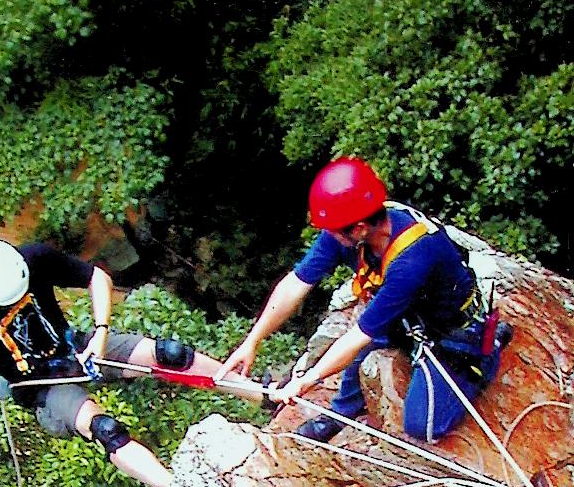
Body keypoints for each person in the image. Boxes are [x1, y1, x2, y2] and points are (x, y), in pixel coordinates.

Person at [216, 157, 511, 444]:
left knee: (423, 427)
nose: (326, 236)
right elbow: (297, 283)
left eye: (331, 230)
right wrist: (252, 340)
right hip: (406, 315)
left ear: (358, 228)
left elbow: (360, 334)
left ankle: (490, 349)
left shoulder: (413, 257)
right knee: (361, 353)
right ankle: (341, 413)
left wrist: (309, 379)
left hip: (451, 334)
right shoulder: (352, 229)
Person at [0, 239, 224, 487]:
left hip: (75, 349)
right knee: (104, 429)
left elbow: (97, 277)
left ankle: (258, 391)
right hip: (41, 388)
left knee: (169, 354)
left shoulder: (35, 258)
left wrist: (101, 332)